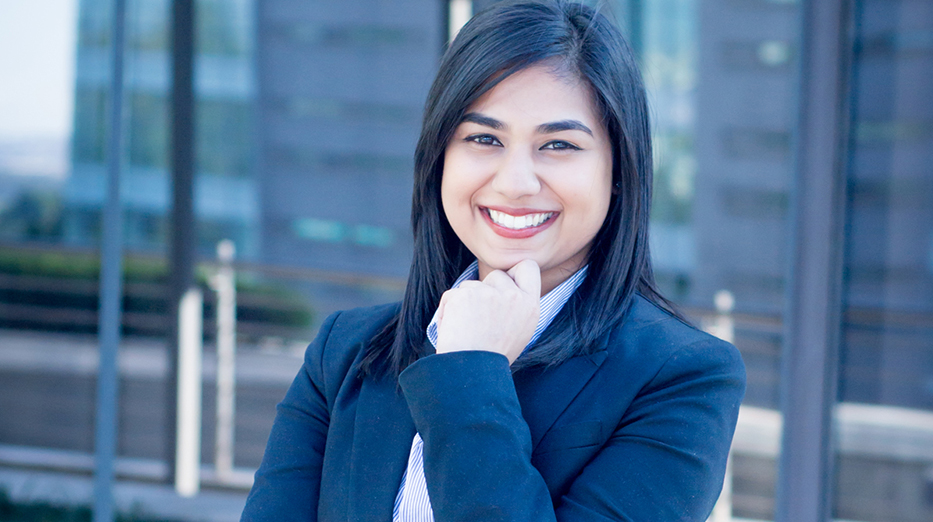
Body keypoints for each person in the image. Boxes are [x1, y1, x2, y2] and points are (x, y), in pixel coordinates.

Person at [241, 1, 745, 520]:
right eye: (484, 138)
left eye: (559, 144)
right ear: (440, 158)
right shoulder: (345, 352)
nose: (515, 182)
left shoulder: (681, 377)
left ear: (618, 173)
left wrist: (471, 372)